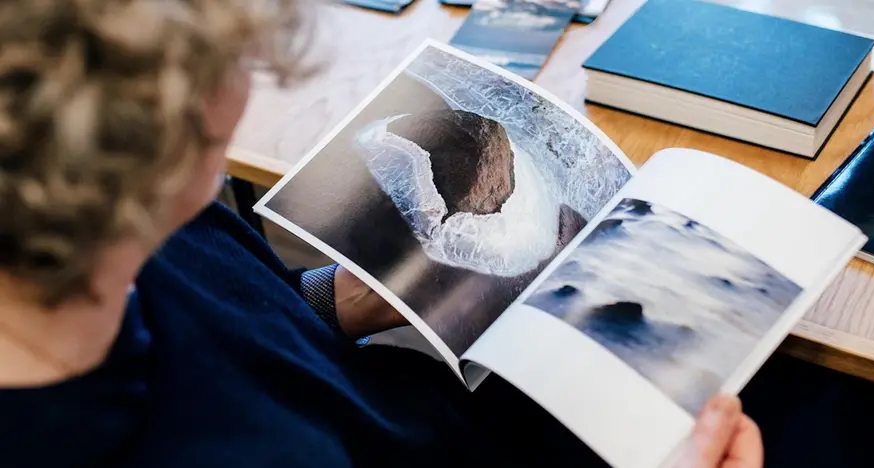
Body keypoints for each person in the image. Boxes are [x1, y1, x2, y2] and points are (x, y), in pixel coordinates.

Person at [0, 0, 762, 466]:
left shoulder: (108, 219)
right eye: (233, 60)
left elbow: (221, 336)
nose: (252, 74)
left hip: (426, 413)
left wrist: (327, 301)